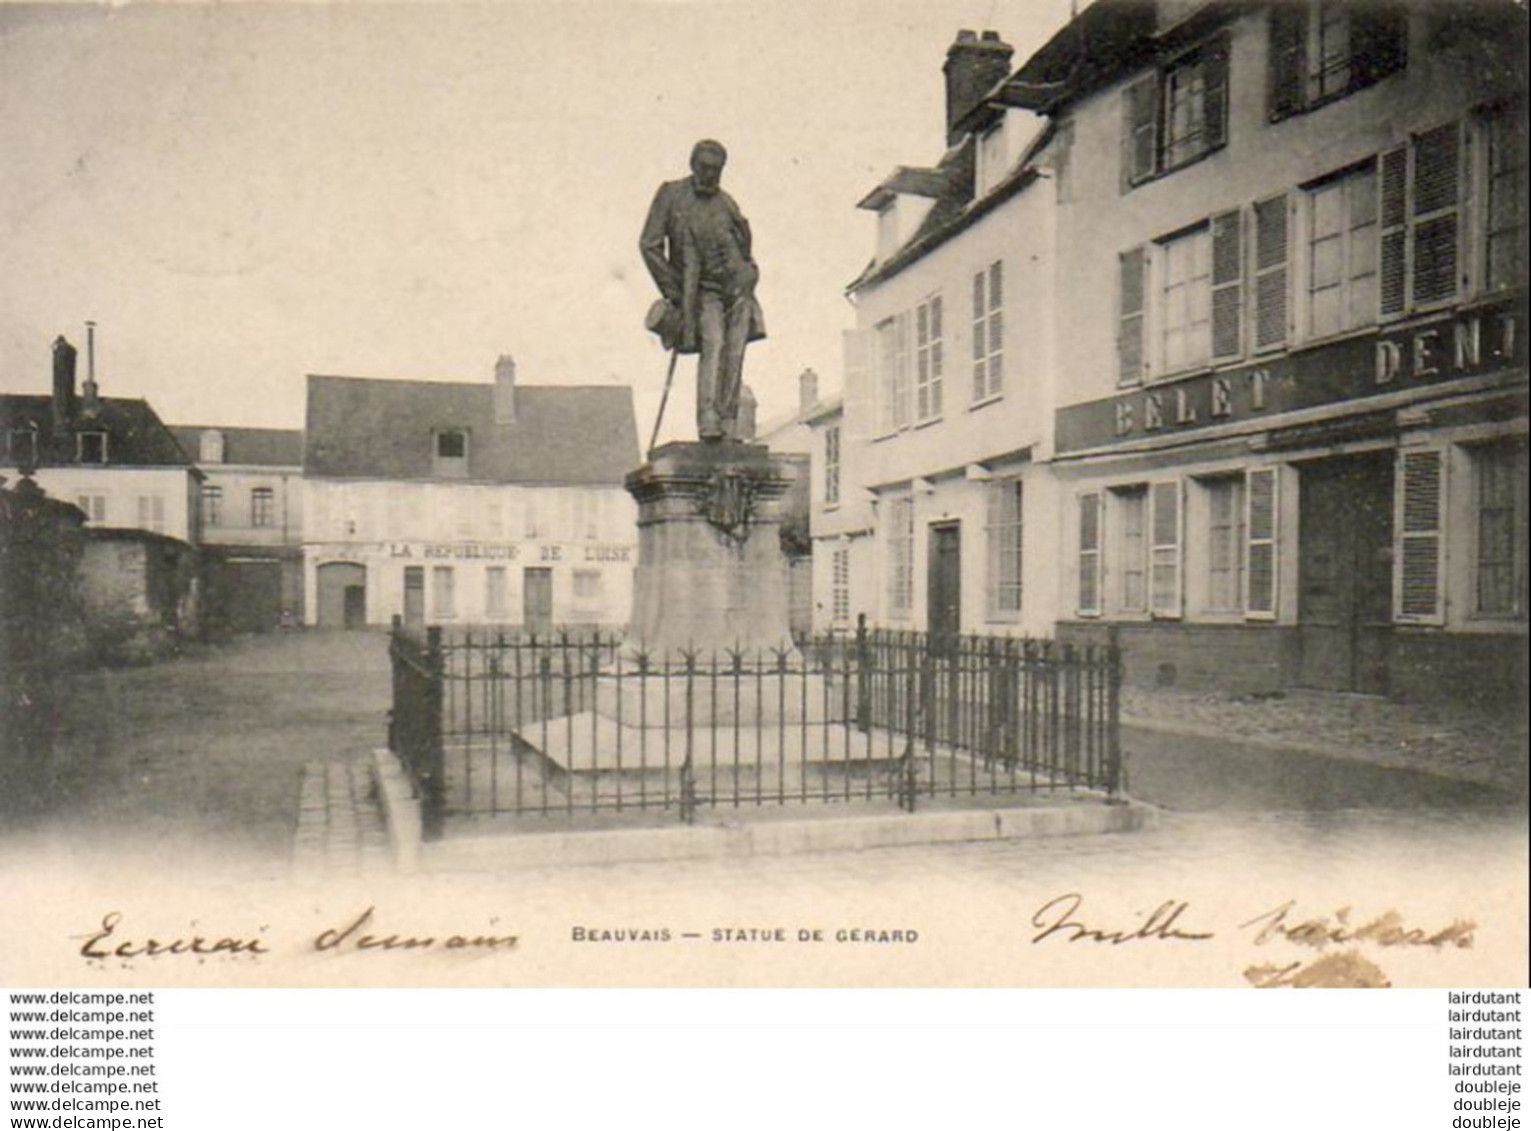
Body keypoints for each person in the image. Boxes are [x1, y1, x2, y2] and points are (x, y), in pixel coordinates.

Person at [640, 139, 765, 442]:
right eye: (705, 168)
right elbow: (650, 245)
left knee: (735, 351)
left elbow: (743, 245)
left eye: (716, 170)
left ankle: (728, 420)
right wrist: (677, 294)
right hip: (701, 290)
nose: (710, 175)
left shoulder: (727, 203)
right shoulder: (671, 195)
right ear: (693, 165)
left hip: (737, 288)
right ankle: (708, 418)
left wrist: (749, 272)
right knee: (715, 342)